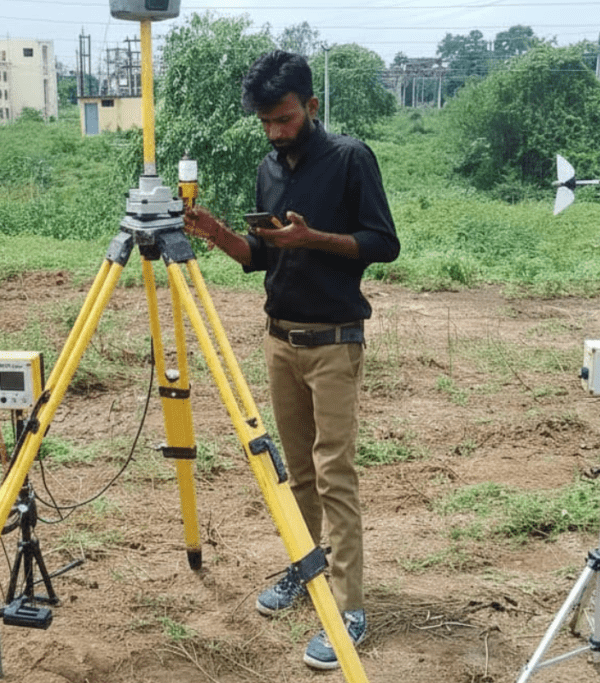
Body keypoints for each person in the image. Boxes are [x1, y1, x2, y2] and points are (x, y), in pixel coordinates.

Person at [183, 50, 399, 670]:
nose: (275, 132)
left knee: (335, 474)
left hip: (334, 341)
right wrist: (217, 232)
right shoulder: (269, 169)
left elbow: (384, 243)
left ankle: (349, 608)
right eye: (266, 123)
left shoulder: (351, 158)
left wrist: (314, 238)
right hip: (281, 341)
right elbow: (261, 257)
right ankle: (306, 570)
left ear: (311, 105)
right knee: (297, 473)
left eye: (284, 119)